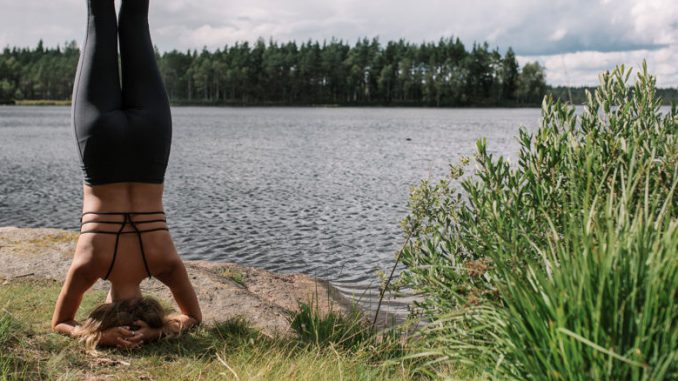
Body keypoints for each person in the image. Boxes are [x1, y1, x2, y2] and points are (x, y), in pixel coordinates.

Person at [51, 0, 202, 349]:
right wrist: (95, 335)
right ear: (105, 306)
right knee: (98, 19)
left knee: (136, 18)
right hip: (100, 148)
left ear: (150, 310)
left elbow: (192, 318)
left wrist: (156, 331)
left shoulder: (163, 262)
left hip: (150, 148)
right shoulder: (90, 264)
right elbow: (60, 322)